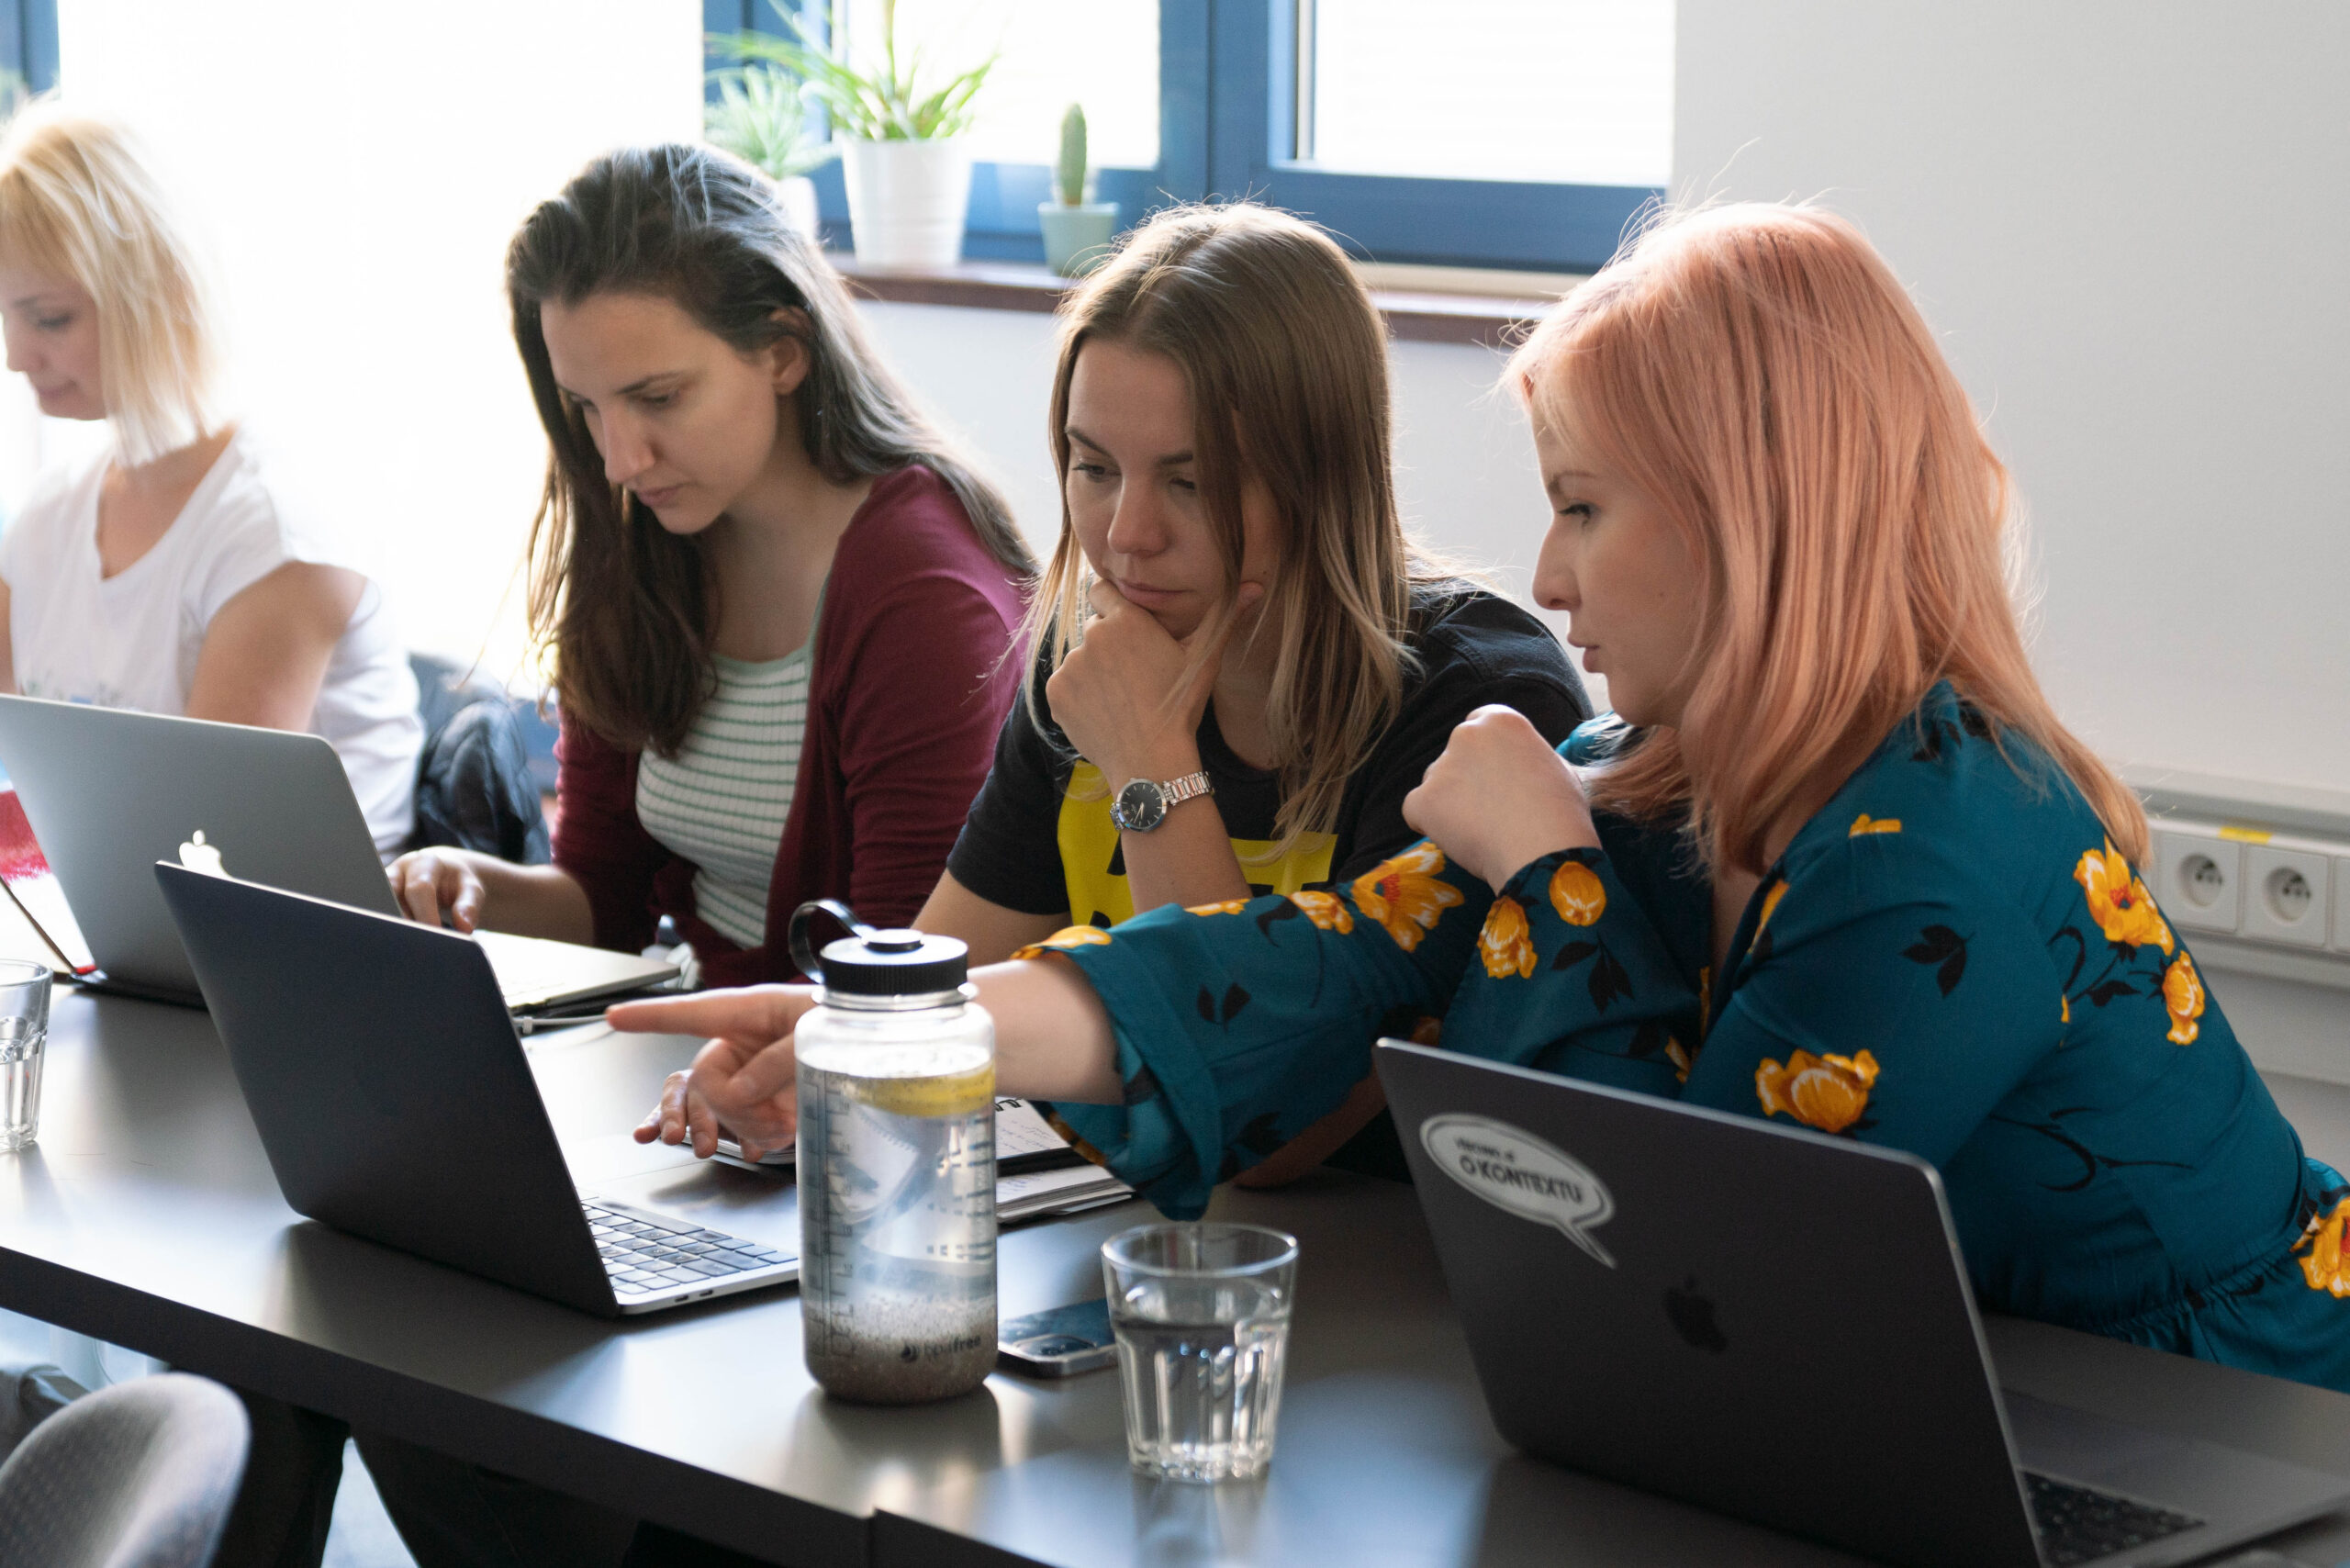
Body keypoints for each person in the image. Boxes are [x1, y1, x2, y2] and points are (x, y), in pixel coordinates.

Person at [629, 202, 2350, 1394]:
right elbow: (1305, 963)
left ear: (1751, 515)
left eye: (1585, 508)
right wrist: (919, 1018)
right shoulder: (1647, 781)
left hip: (2246, 1431)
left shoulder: (1949, 842)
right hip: (1990, 1412)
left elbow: (1689, 1255)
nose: (1546, 568)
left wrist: (1551, 880)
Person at [386, 144, 1031, 984]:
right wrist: (470, 884)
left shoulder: (927, 598)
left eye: (658, 398)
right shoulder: (649, 541)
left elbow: (905, 990)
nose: (620, 459)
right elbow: (602, 899)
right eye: (588, 407)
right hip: (690, 1054)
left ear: (784, 351)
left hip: (839, 1073)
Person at [917, 201, 1589, 970]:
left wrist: (1150, 766)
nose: (1128, 535)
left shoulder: (1472, 706)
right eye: (1094, 469)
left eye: (1194, 482)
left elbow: (1273, 1076)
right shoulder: (1092, 662)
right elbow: (939, 990)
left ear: (1323, 482)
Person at [0, 103, 420, 851]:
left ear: (152, 297)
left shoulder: (276, 530)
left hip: (293, 945)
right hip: (121, 936)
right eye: (7, 316)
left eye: (50, 319)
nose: (17, 357)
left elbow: (211, 850)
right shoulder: (43, 522)